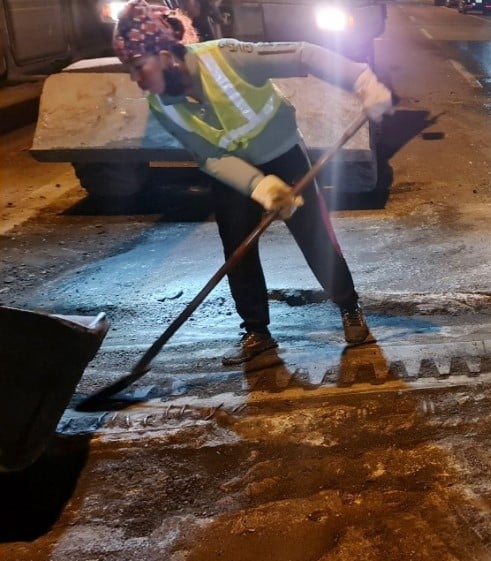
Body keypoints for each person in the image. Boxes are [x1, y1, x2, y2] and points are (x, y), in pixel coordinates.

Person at [112, 0, 394, 365]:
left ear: (164, 54)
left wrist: (361, 79)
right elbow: (208, 155)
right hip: (232, 172)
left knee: (313, 234)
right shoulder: (161, 105)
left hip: (282, 152)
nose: (136, 79)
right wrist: (258, 186)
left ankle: (349, 307)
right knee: (238, 248)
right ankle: (257, 332)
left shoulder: (226, 56)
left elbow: (303, 55)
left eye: (138, 66)